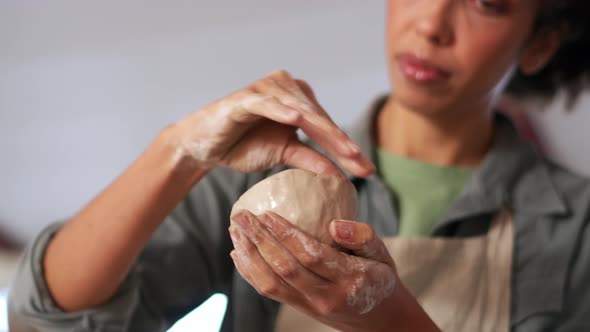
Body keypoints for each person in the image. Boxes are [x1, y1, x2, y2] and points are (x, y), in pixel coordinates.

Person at [8, 0, 590, 331]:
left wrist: (387, 321)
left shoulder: (577, 229)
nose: (432, 22)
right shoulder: (261, 178)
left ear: (539, 43)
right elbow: (44, 320)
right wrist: (179, 150)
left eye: (485, 2)